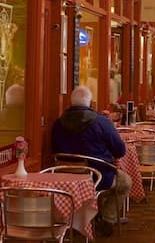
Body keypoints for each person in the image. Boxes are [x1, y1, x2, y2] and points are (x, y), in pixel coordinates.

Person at [51, 86, 131, 229]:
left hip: (65, 179)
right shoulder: (102, 122)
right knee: (125, 182)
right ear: (90, 102)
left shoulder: (58, 124)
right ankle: (108, 217)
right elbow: (120, 150)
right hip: (98, 178)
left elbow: (54, 150)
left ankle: (87, 216)